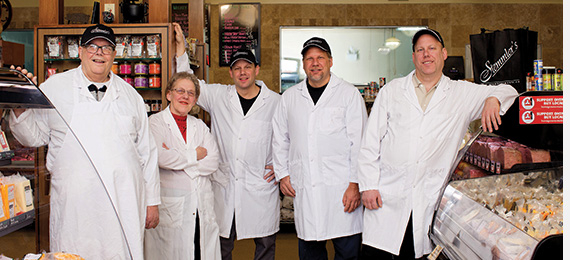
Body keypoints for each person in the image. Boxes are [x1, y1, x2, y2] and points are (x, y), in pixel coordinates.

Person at [358, 28, 518, 259]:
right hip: (386, 194)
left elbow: (509, 91)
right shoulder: (392, 91)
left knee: (416, 253)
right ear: (413, 57)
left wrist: (492, 99)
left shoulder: (461, 92)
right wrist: (368, 185)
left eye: (432, 48)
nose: (426, 54)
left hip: (428, 196)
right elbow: (370, 141)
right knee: (378, 254)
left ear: (443, 54)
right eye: (420, 50)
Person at [9, 24, 160, 259]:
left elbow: (147, 153)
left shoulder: (131, 95)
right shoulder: (55, 87)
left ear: (114, 54)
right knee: (73, 253)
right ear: (80, 52)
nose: (99, 53)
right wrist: (19, 103)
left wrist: (152, 202)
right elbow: (32, 136)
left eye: (106, 48)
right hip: (75, 203)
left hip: (125, 201)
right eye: (92, 46)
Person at [173, 23, 281, 260]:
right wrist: (181, 50)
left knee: (265, 247)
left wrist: (281, 166)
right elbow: (191, 84)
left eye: (247, 67)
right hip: (224, 184)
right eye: (237, 68)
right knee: (221, 246)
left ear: (257, 70)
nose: (243, 72)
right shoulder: (219, 95)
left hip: (260, 185)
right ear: (231, 73)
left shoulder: (276, 102)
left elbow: (288, 138)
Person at [272, 37, 367, 260]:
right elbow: (280, 139)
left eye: (320, 58)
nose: (315, 63)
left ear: (330, 61)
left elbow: (360, 143)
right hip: (307, 188)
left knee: (347, 253)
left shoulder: (349, 94)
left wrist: (355, 184)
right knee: (310, 252)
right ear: (303, 63)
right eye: (309, 59)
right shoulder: (290, 98)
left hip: (342, 190)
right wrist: (283, 174)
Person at [144, 72, 221, 260]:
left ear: (195, 100)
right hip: (172, 207)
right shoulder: (156, 123)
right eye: (180, 91)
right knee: (170, 253)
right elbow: (160, 157)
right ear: (169, 94)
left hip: (201, 207)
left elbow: (213, 161)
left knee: (199, 252)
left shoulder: (200, 126)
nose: (185, 96)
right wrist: (195, 154)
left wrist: (179, 162)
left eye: (191, 93)